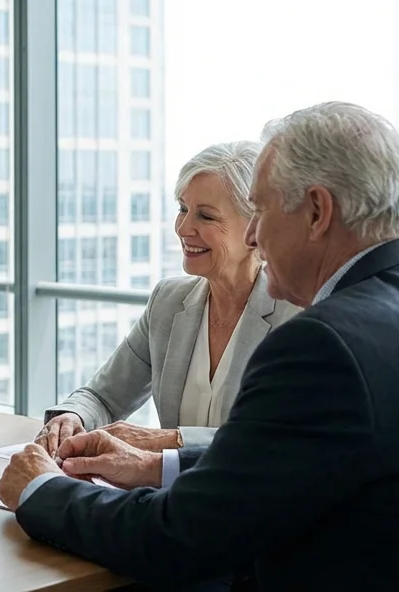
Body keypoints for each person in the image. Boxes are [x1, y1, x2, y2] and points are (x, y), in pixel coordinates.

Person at [0, 101, 399, 590]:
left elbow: (176, 540)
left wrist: (42, 490)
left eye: (260, 210)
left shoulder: (324, 342)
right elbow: (299, 465)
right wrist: (154, 466)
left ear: (318, 212)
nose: (254, 236)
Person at [37, 142, 300, 483]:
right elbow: (102, 396)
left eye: (205, 216)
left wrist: (167, 440)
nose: (183, 227)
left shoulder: (297, 318)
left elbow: (272, 442)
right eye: (182, 209)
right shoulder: (168, 301)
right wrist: (73, 417)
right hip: (174, 503)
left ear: (254, 229)